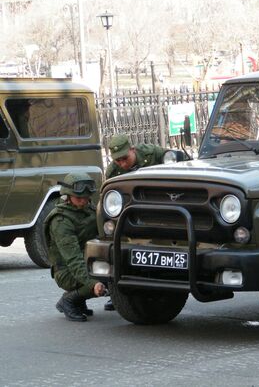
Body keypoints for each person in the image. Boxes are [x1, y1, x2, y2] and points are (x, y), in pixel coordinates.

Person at [103, 134, 169, 310]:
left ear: (132, 150)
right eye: (118, 161)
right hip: (137, 213)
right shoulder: (113, 172)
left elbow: (181, 163)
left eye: (125, 158)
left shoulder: (152, 154)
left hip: (166, 208)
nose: (123, 164)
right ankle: (117, 293)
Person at [45, 173, 106, 322]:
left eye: (86, 198)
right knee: (105, 277)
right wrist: (94, 283)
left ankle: (79, 300)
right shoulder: (61, 221)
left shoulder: (88, 209)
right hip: (66, 271)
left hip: (84, 262)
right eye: (79, 198)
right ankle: (69, 300)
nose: (83, 202)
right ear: (67, 196)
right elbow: (73, 260)